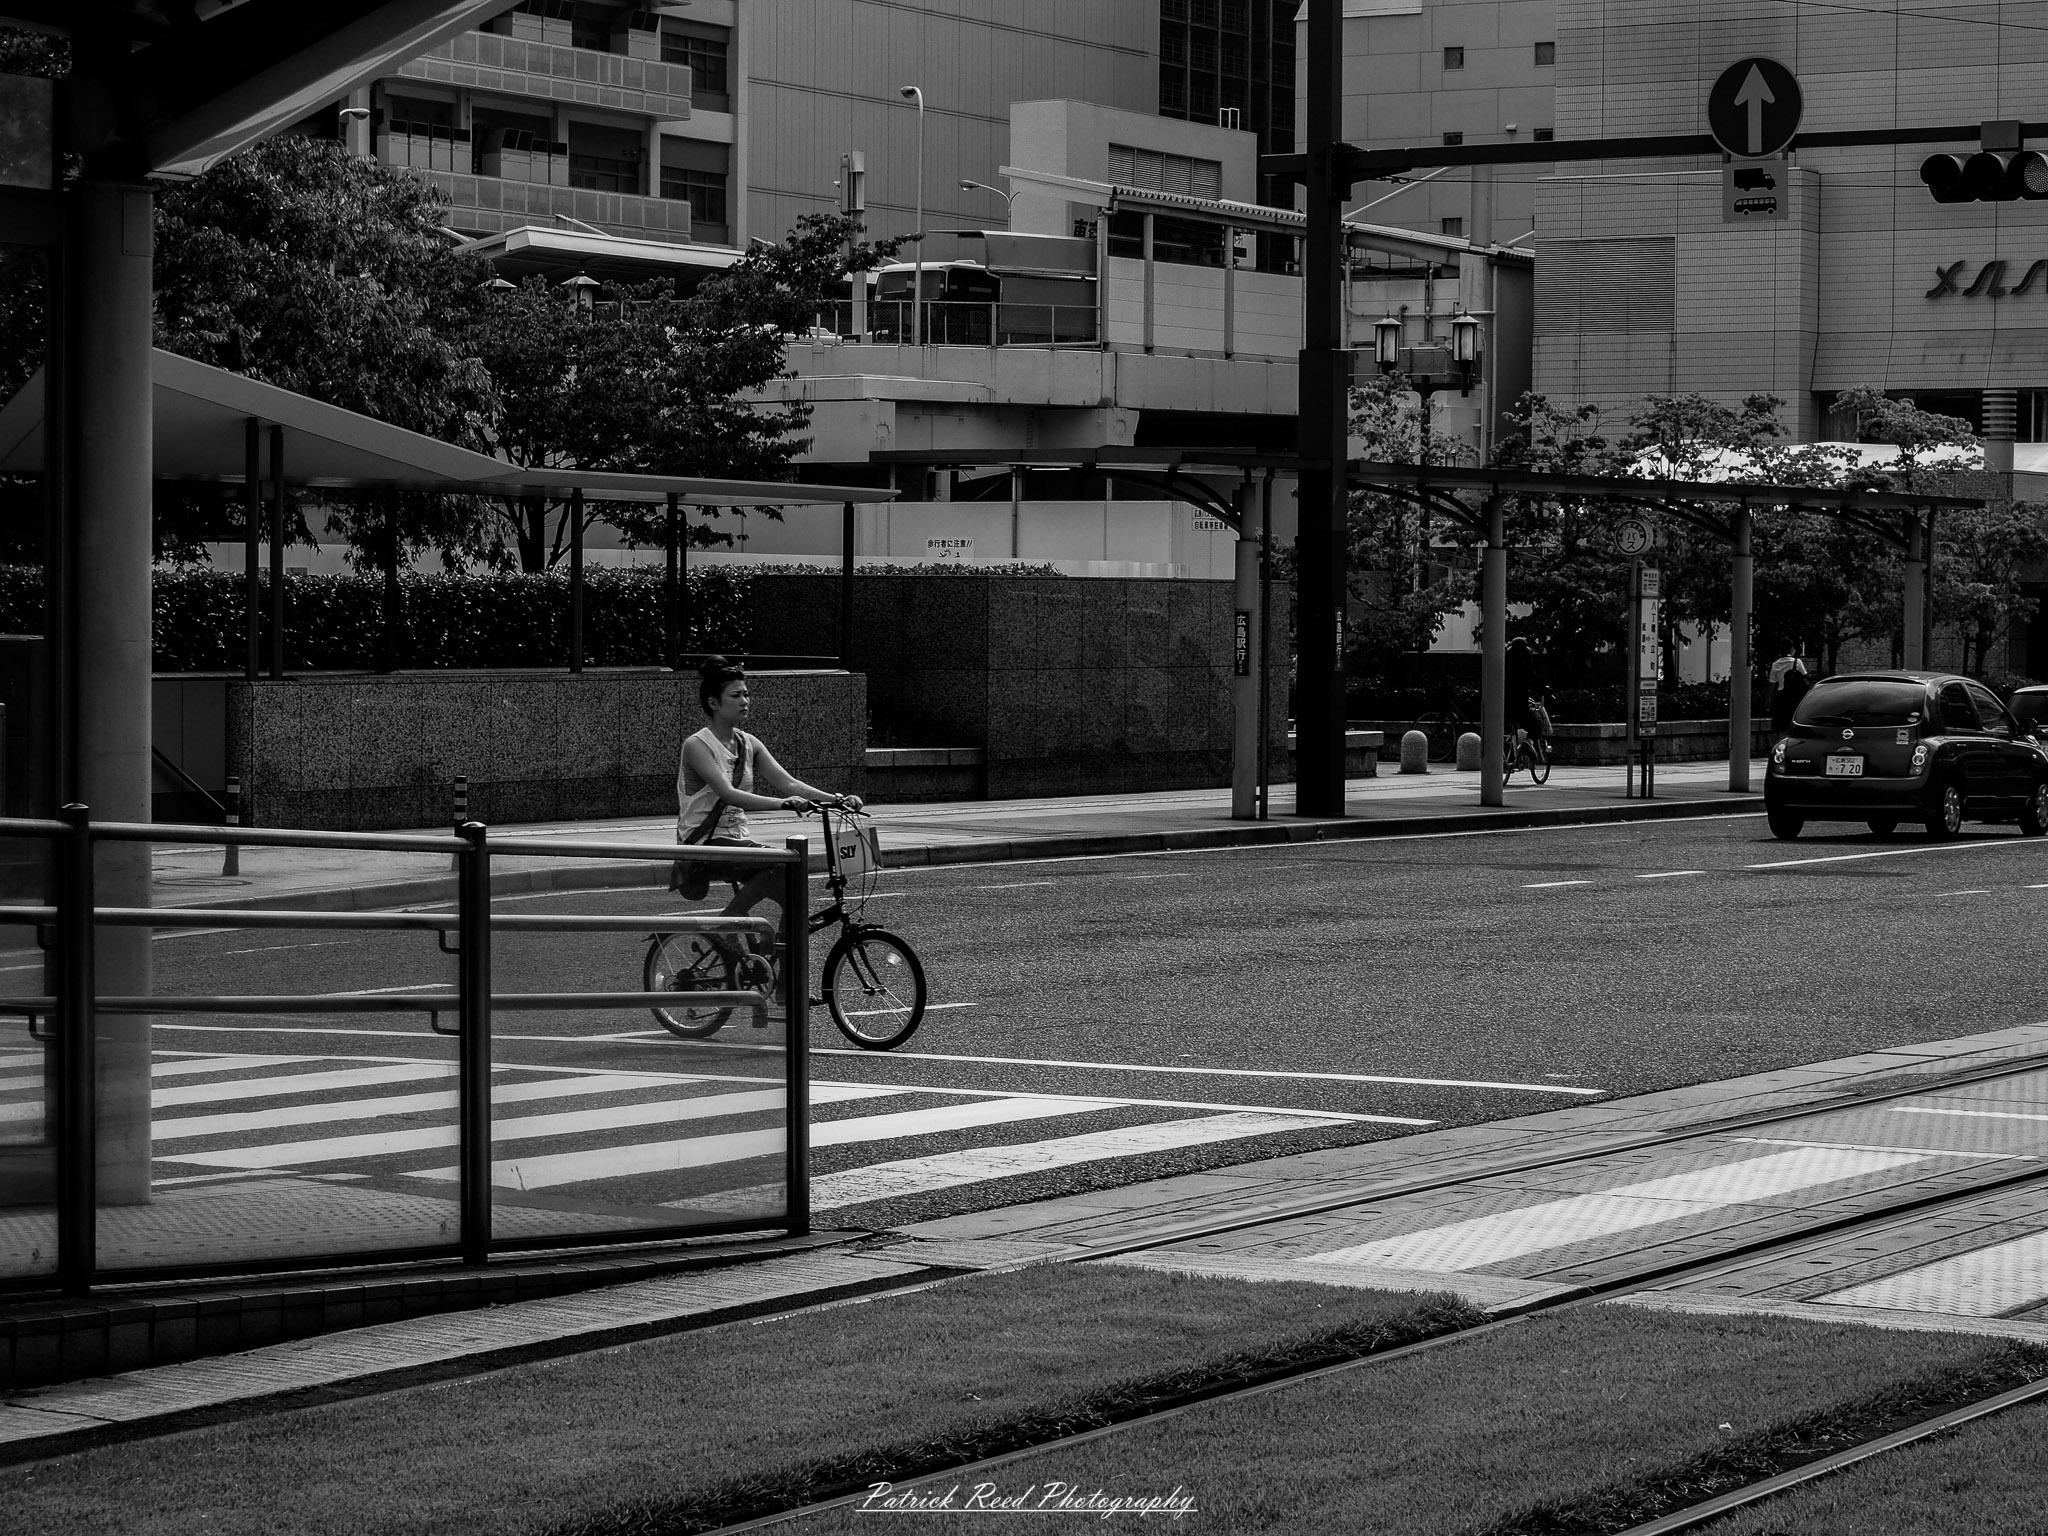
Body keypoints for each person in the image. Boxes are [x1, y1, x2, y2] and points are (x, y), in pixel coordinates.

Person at [675, 656, 864, 926]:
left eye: (747, 694)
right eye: (736, 695)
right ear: (714, 703)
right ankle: (725, 926)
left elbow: (790, 784)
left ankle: (782, 954)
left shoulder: (748, 743)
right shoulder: (697, 745)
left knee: (792, 890)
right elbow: (729, 794)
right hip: (705, 845)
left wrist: (836, 800)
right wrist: (783, 804)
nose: (745, 701)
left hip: (738, 841)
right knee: (778, 864)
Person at [1504, 636, 1549, 745]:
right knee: (1534, 728)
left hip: (1504, 702)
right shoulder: (1525, 660)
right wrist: (1546, 691)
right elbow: (1532, 679)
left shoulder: (1505, 659)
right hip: (1520, 701)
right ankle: (1528, 744)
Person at [1768, 652, 1811, 732]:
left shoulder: (1775, 664)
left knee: (1780, 727)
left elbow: (1772, 684)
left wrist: (1769, 699)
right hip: (1794, 698)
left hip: (1780, 698)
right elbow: (1805, 676)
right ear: (1792, 650)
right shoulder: (1797, 662)